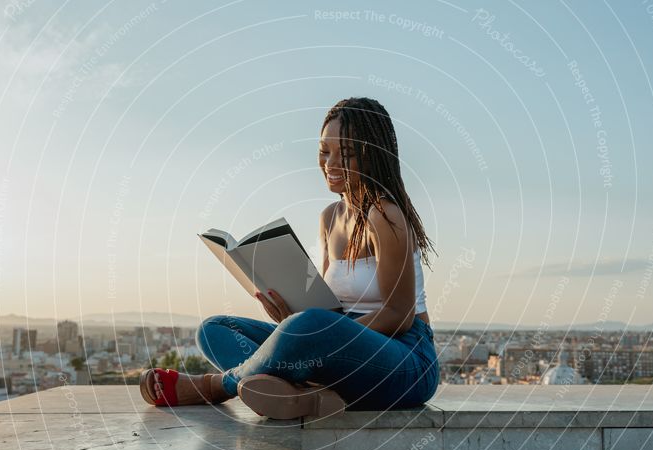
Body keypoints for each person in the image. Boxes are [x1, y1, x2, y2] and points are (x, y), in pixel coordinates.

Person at [138, 96, 440, 418]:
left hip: (405, 359)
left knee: (310, 325)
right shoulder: (330, 218)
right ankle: (309, 393)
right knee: (214, 329)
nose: (331, 164)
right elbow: (330, 309)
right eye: (324, 152)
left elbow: (399, 316)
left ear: (372, 155)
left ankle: (215, 386)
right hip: (337, 347)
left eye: (346, 154)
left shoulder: (385, 216)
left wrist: (311, 334)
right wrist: (289, 321)